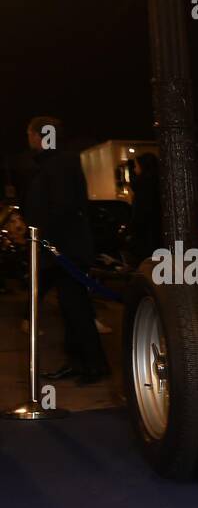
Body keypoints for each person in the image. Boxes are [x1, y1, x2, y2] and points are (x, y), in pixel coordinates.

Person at [21, 116, 110, 384]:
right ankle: (78, 363)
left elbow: (62, 208)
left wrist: (44, 236)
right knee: (71, 310)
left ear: (41, 136)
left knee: (77, 310)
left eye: (31, 134)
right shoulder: (52, 164)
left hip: (65, 250)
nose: (29, 139)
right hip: (60, 249)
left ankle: (94, 366)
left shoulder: (59, 163)